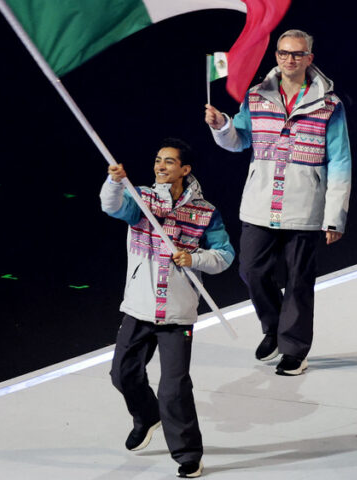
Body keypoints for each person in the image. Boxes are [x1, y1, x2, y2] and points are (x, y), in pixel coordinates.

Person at [204, 29, 352, 376]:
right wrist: (222, 124)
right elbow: (239, 140)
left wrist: (335, 217)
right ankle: (273, 326)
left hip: (305, 205)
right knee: (251, 270)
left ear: (309, 59)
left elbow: (341, 160)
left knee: (299, 280)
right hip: (260, 202)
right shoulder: (256, 96)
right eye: (284, 53)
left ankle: (294, 350)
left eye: (297, 54)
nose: (290, 59)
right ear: (276, 55)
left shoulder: (329, 104)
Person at [100, 138, 235, 479]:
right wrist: (114, 181)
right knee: (122, 374)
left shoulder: (205, 212)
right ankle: (147, 416)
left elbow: (225, 256)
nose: (160, 166)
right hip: (139, 307)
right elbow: (111, 207)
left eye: (169, 162)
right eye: (158, 160)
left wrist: (195, 257)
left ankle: (188, 453)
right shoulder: (141, 198)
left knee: (174, 388)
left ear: (185, 170)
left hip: (177, 312)